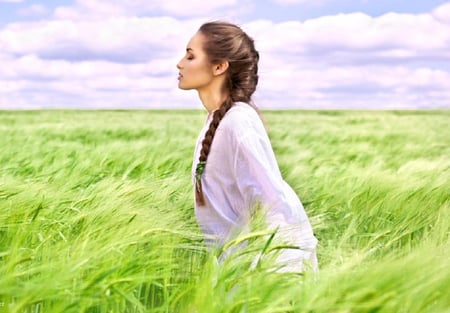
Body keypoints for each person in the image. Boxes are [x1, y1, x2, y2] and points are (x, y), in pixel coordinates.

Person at [176, 21, 318, 272]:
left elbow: (274, 206)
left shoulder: (238, 123)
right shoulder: (217, 120)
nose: (180, 63)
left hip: (261, 276)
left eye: (190, 56)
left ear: (219, 66)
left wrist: (281, 281)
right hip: (235, 272)